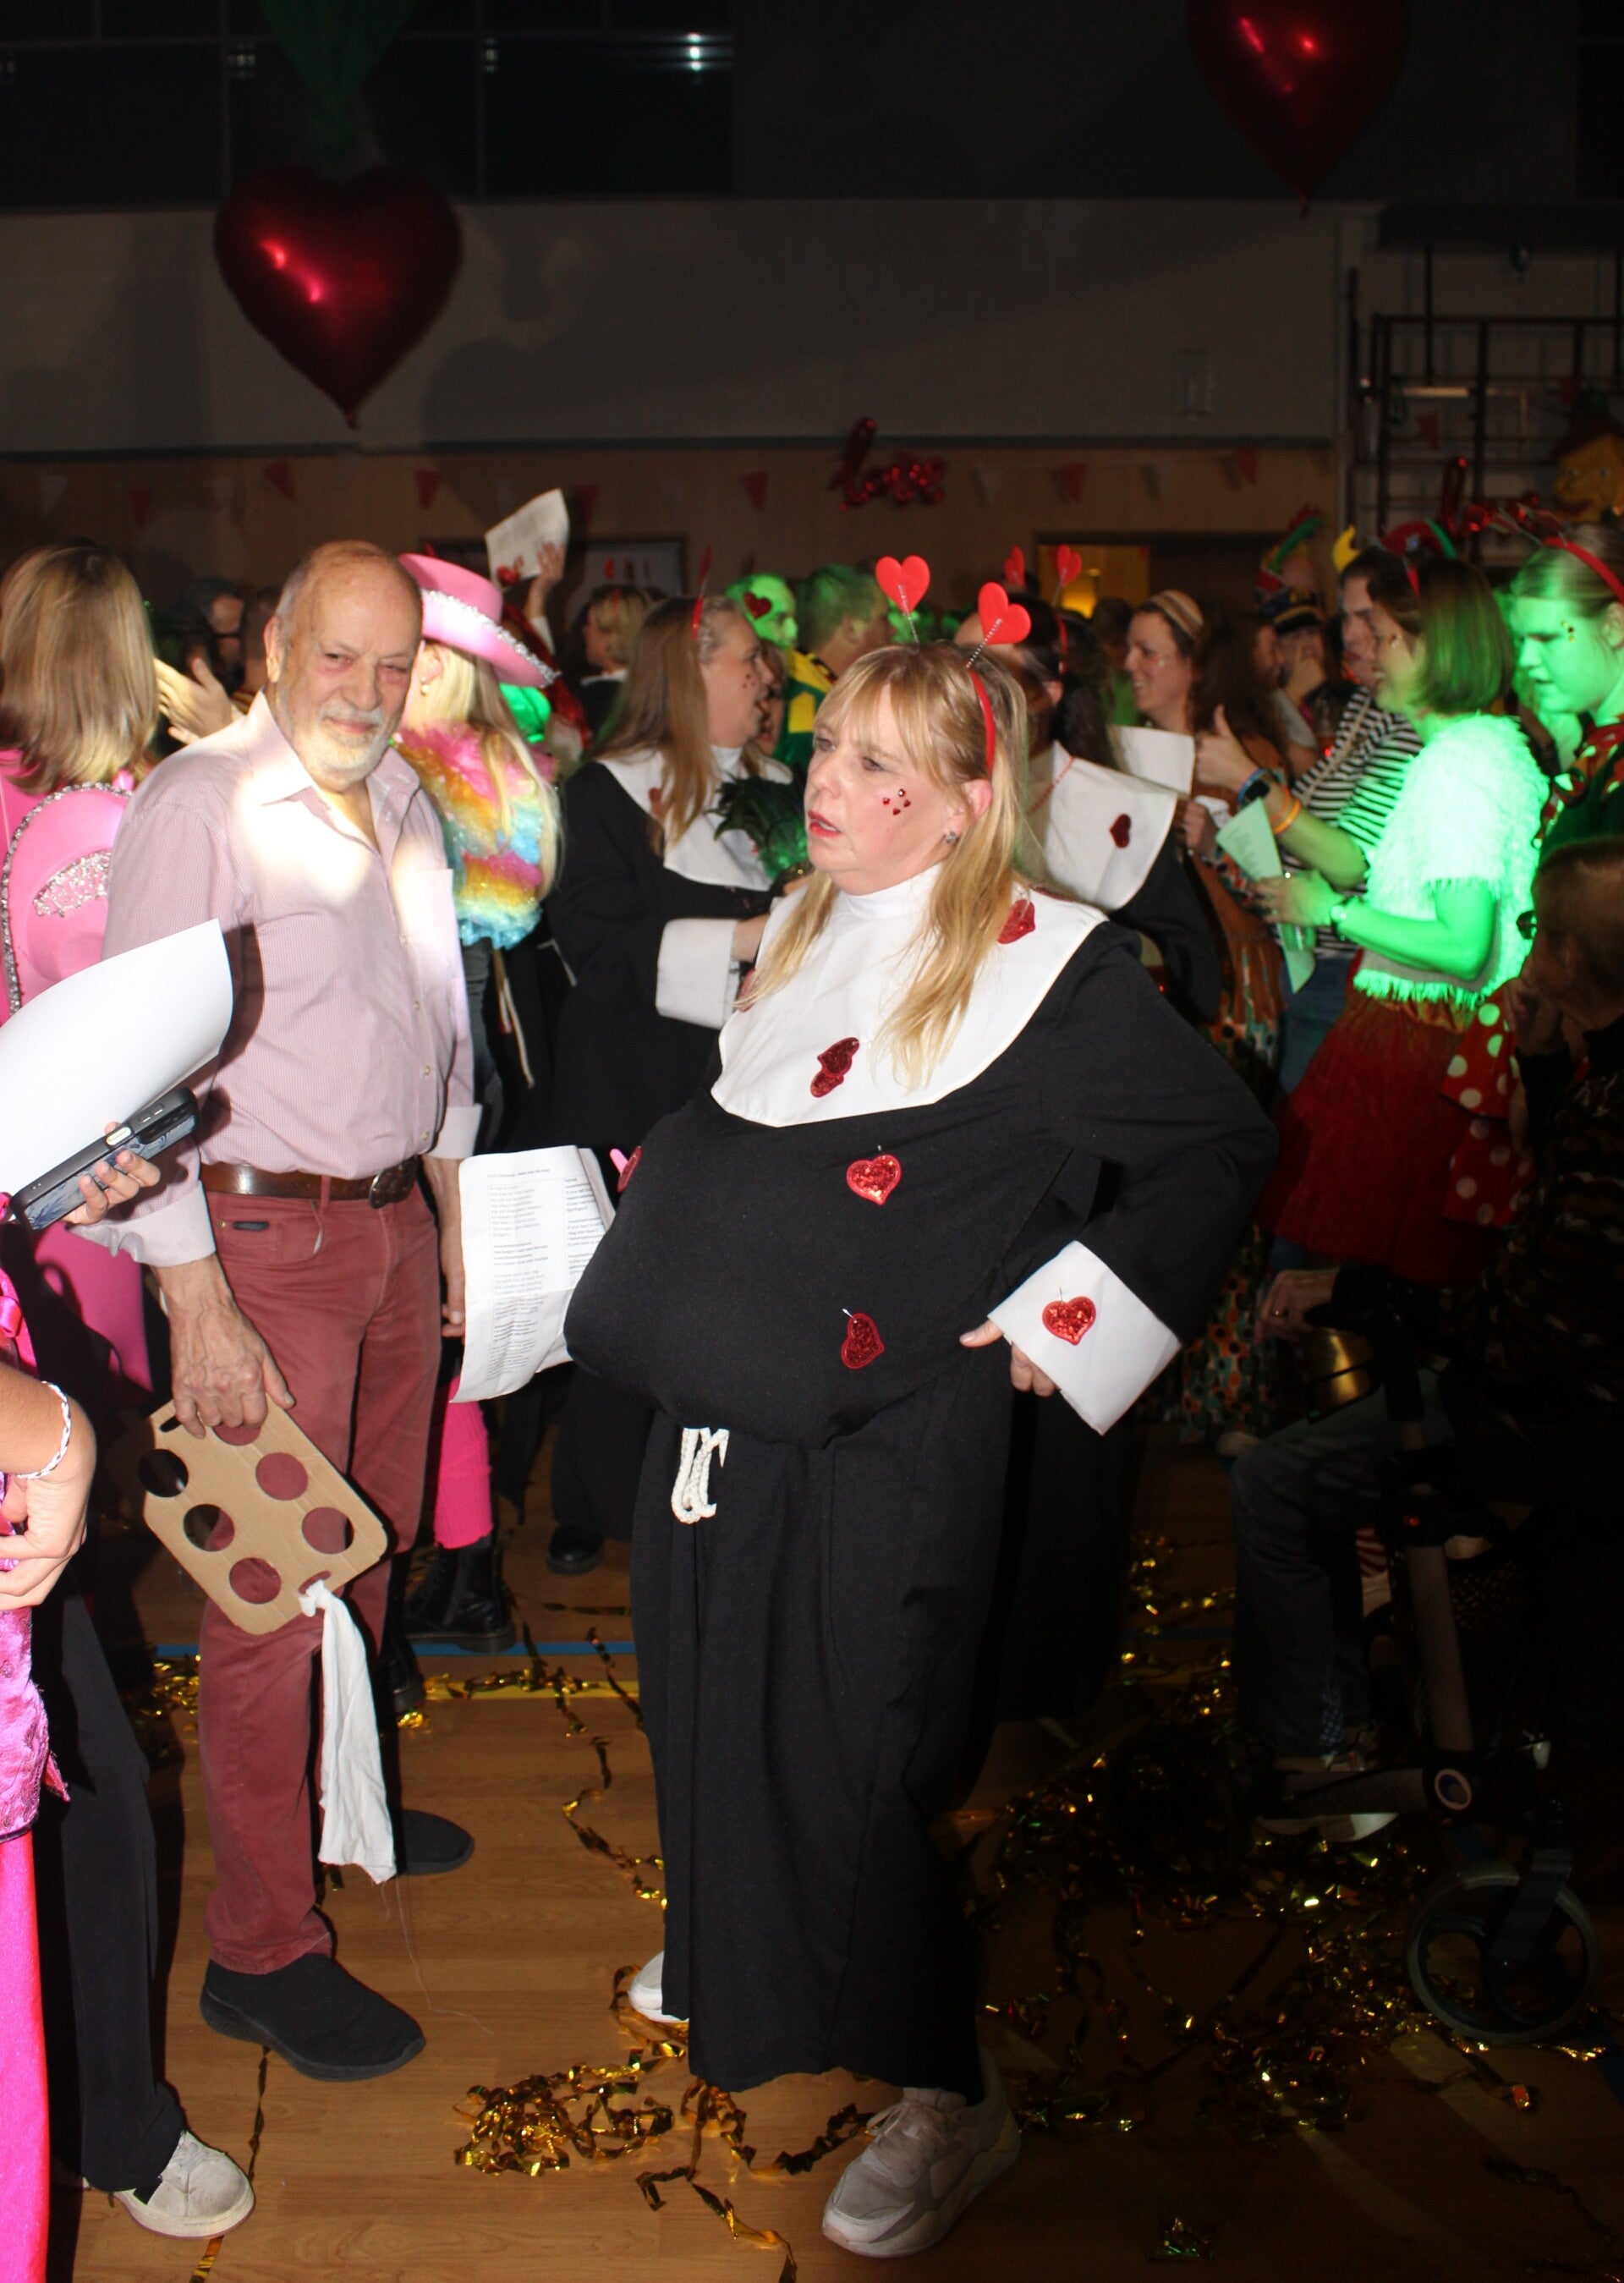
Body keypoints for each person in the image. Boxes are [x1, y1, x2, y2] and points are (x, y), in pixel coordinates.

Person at [564, 642, 1275, 2256]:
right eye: (829, 744)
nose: (828, 780)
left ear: (964, 803)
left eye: (880, 764)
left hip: (888, 1447)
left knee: (859, 1753)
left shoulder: (1056, 969)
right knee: (712, 1701)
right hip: (719, 1430)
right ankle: (743, 1940)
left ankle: (949, 2093)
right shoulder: (804, 919)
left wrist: (1068, 1320)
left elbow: (1219, 1143)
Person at [86, 541, 480, 2083]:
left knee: (367, 1553)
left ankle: (335, 1805)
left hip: (389, 1227)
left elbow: (441, 1025)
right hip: (258, 1242)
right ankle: (259, 1947)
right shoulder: (199, 807)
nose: (367, 692)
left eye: (393, 665)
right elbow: (130, 1079)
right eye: (338, 656)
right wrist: (194, 1297)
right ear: (272, 651)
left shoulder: (406, 799)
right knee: (271, 1600)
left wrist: (453, 1226)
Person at [0, 546, 256, 2237]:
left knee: (82, 1734)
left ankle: (106, 2114)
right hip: (44, 1337)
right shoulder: (100, 822)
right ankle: (112, 2119)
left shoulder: (86, 812)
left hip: (41, 1276)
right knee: (84, 1767)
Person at [1234, 836, 1624, 1825]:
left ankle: (1322, 1760)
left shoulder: (1615, 1108)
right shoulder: (1597, 1073)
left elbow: (1532, 1333)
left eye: (1536, 929)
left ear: (1569, 959)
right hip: (1561, 1398)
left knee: (1275, 1482)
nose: (1522, 946)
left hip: (1568, 1423)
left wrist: (1369, 1295)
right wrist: (1541, 1062)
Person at [545, 594, 781, 1574]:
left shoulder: (783, 788)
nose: (767, 679)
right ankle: (594, 1496)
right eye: (748, 662)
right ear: (688, 672)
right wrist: (745, 938)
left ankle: (716, 1496)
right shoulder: (605, 795)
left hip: (750, 1082)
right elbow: (595, 945)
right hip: (633, 1078)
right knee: (620, 1287)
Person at [1257, 557, 1547, 1284]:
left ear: (1436, 648)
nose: (1371, 653)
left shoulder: (1459, 764)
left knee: (1401, 1280)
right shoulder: (1477, 747)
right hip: (1431, 1038)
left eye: (1386, 637)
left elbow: (1463, 943)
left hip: (1427, 1048)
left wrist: (1334, 910)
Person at [392, 552, 561, 1661]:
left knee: (430, 1329)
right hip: (475, 1059)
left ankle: (455, 1563)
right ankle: (468, 1564)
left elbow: (478, 917)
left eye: (415, 653)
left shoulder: (414, 774)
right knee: (450, 1329)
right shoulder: (499, 766)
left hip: (438, 1062)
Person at [1135, 596, 1287, 1442]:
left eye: (1151, 652)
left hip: (1233, 990)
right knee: (1170, 1194)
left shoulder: (1239, 756)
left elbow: (1281, 903)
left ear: (1195, 665)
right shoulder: (1129, 758)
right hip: (1165, 992)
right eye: (1130, 651)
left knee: (1217, 1191)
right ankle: (1178, 1393)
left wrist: (1210, 841)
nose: (1132, 667)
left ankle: (1232, 1396)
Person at [1195, 546, 1422, 1091]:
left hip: (1347, 965)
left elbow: (1348, 863)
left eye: (1369, 620)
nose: (1354, 636)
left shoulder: (1407, 721)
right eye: (1346, 617)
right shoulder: (1365, 707)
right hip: (1310, 961)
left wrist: (1249, 777)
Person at [1507, 521, 1624, 853]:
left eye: (1547, 637)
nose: (1527, 659)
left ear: (1614, 626)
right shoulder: (1601, 745)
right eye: (1523, 639)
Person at [776, 564, 892, 773]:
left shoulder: (812, 683)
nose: (892, 630)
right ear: (851, 628)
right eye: (883, 618)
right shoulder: (807, 705)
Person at [573, 582, 651, 743]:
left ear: (611, 636)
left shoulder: (600, 698)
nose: (585, 631)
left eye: (589, 624)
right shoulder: (654, 689)